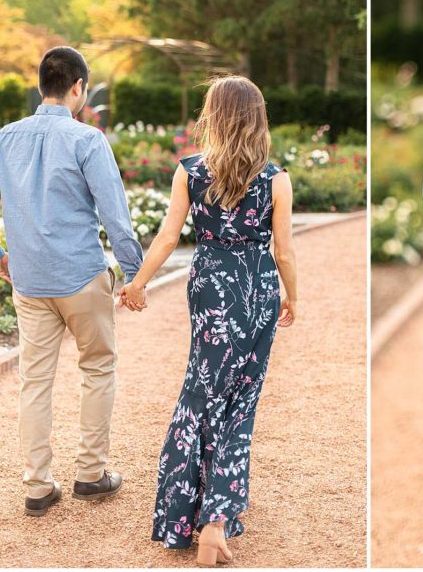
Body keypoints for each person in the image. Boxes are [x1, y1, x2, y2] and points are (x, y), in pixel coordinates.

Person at [0, 46, 144, 517]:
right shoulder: (87, 139)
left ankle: (38, 486)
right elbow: (115, 216)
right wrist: (135, 273)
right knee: (98, 369)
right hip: (82, 276)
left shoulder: (6, 137)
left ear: (42, 85)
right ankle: (90, 474)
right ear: (79, 87)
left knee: (34, 382)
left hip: (31, 283)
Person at [124, 76, 298, 566]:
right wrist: (294, 298)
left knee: (200, 392)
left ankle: (183, 516)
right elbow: (284, 251)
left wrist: (138, 284)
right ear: (258, 117)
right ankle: (216, 521)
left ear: (213, 116)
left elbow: (165, 239)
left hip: (210, 286)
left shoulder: (190, 172)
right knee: (241, 401)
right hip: (257, 289)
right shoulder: (276, 179)